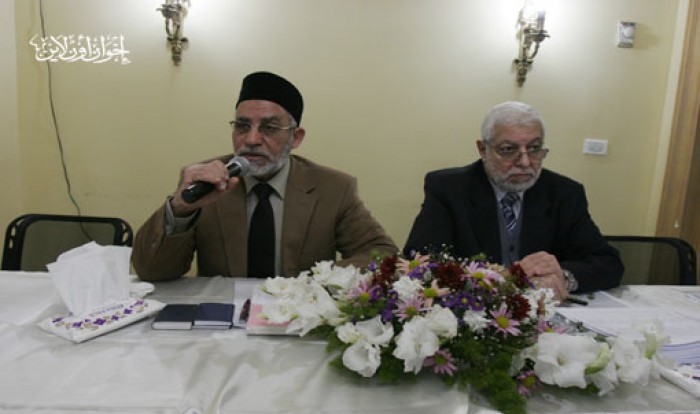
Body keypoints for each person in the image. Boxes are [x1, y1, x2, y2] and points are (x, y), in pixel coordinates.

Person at [132, 71, 397, 282]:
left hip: (298, 318)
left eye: (269, 127)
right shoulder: (206, 181)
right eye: (242, 126)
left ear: (296, 137)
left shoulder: (332, 188)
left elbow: (383, 256)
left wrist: (314, 283)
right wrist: (180, 208)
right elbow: (152, 271)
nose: (251, 139)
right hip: (220, 320)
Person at [403, 101, 622, 299]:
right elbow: (420, 263)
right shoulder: (449, 189)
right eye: (508, 150)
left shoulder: (564, 193)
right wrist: (501, 278)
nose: (525, 162)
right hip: (475, 311)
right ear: (483, 150)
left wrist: (563, 278)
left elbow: (608, 263)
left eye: (534, 149)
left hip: (545, 314)